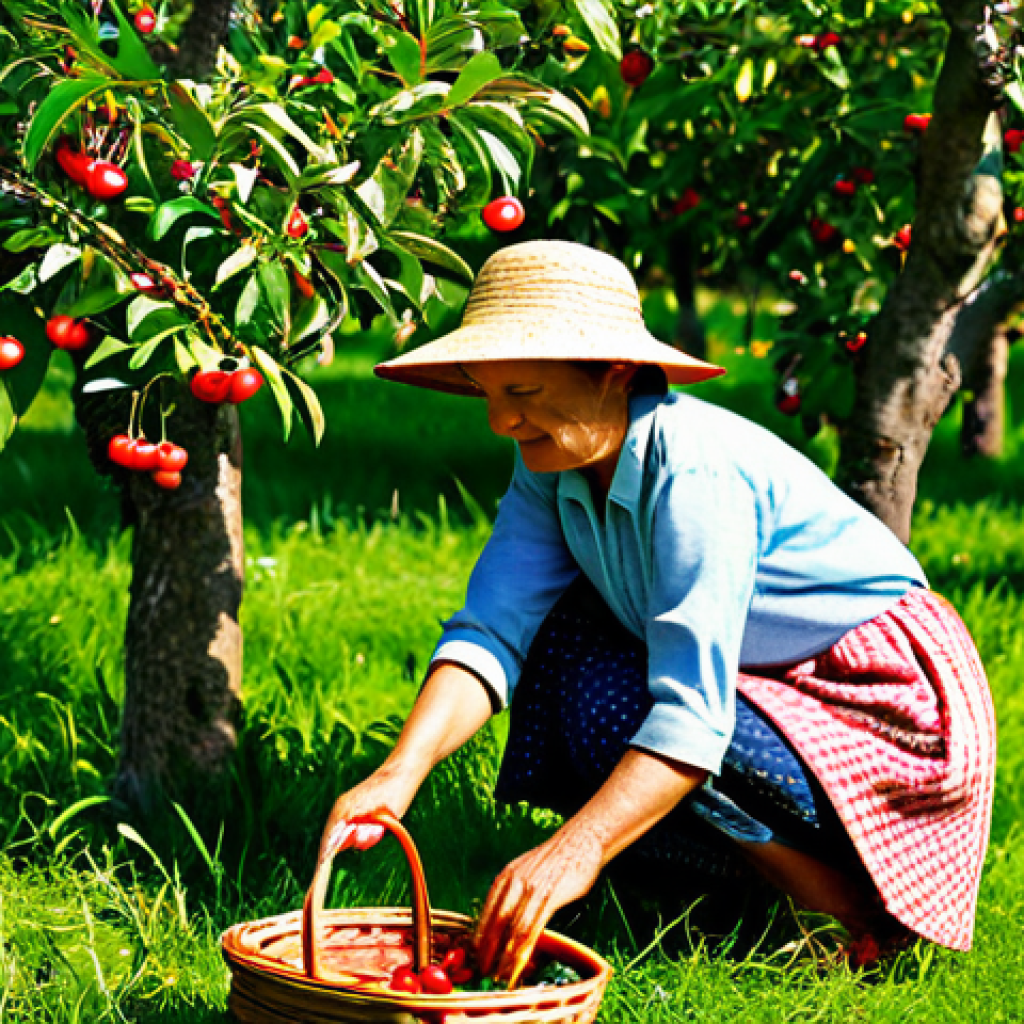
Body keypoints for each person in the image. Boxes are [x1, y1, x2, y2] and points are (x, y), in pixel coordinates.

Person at [316, 240, 996, 985]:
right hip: (760, 679)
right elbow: (492, 629)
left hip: (880, 702)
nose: (500, 420)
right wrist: (399, 772)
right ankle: (719, 889)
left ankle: (850, 914)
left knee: (625, 704)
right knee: (566, 641)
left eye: (525, 392)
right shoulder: (558, 454)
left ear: (611, 371)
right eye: (488, 392)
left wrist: (575, 848)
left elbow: (691, 717)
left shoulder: (692, 475)